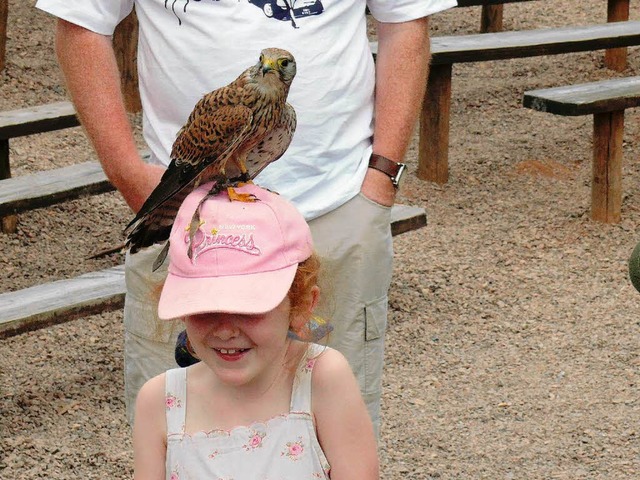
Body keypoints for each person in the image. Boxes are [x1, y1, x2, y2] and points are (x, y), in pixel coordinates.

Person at [35, 0, 457, 434]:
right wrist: (132, 176)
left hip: (335, 206)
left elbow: (406, 18)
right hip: (190, 217)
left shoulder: (281, 121)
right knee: (183, 431)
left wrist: (381, 177)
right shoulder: (232, 111)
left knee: (330, 430)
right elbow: (81, 22)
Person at [133, 182, 379, 479]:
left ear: (300, 305)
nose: (225, 331)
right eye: (204, 308)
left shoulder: (321, 380)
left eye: (249, 308)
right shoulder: (160, 403)